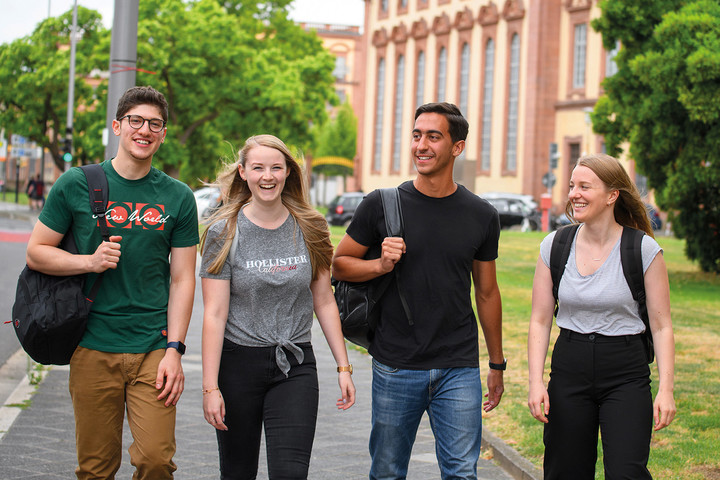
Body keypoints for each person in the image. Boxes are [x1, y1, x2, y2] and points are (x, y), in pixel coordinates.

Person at [26, 85, 199, 479]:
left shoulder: (178, 196)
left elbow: (183, 277)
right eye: (136, 121)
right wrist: (89, 261)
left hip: (154, 346)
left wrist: (175, 349)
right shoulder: (77, 183)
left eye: (155, 124)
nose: (145, 130)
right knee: (96, 468)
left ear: (164, 134)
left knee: (156, 461)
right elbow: (37, 252)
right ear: (118, 126)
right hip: (92, 344)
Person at [332, 102, 505, 480]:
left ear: (457, 147)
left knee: (462, 472)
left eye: (433, 136)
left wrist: (496, 364)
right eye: (416, 135)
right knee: (388, 472)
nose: (420, 145)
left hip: (458, 364)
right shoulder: (381, 203)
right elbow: (339, 263)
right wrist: (379, 264)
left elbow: (487, 293)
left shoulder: (481, 214)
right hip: (396, 363)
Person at [199, 134, 356, 479]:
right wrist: (210, 388)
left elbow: (324, 299)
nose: (267, 176)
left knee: (290, 473)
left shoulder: (311, 227)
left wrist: (344, 367)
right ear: (243, 172)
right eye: (258, 167)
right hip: (238, 364)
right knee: (238, 473)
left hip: (295, 365)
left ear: (288, 173)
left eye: (275, 167)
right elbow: (213, 314)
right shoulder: (222, 232)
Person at [527, 153, 676, 479]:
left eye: (584, 186)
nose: (573, 194)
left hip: (625, 372)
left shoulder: (643, 250)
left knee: (626, 472)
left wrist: (666, 388)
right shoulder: (554, 246)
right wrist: (535, 382)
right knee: (565, 470)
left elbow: (662, 325)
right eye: (571, 186)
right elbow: (540, 319)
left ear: (612, 195)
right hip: (569, 368)